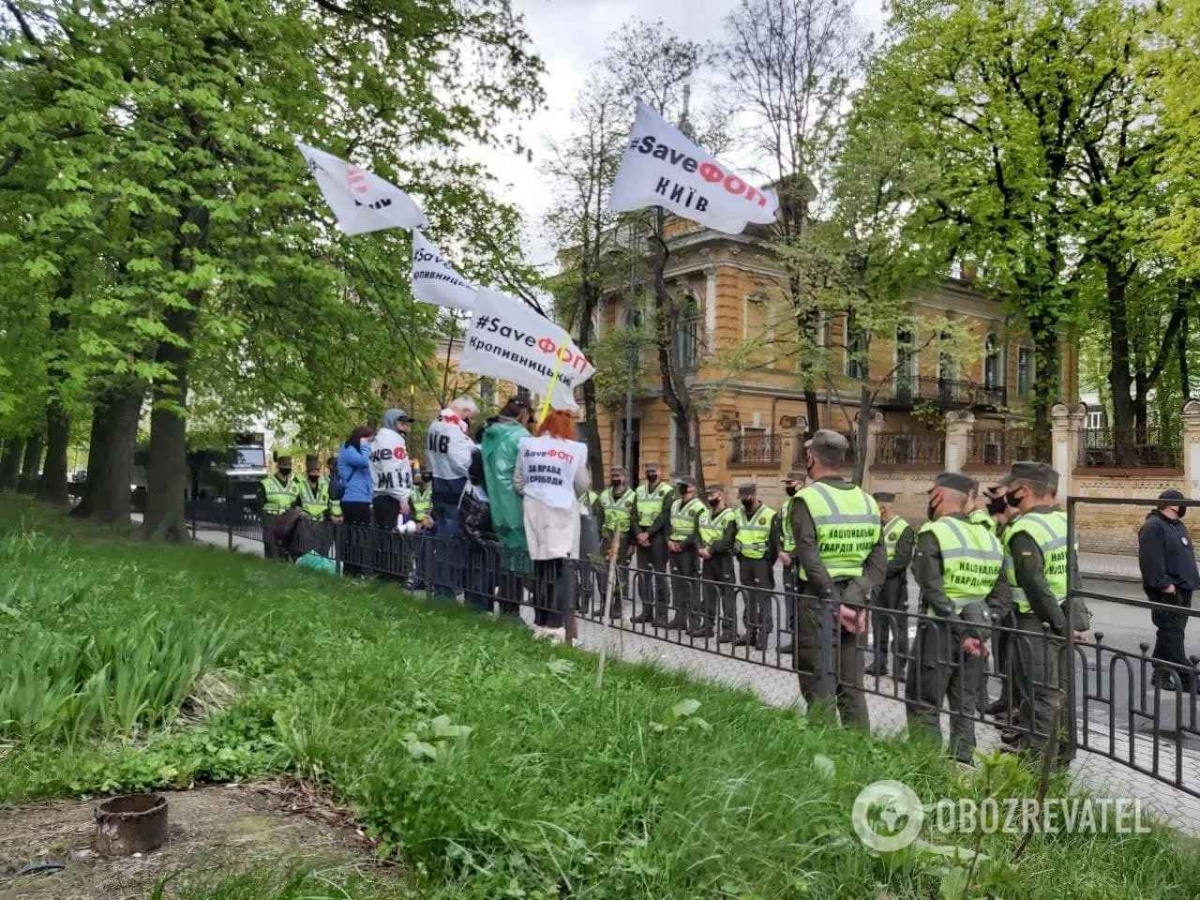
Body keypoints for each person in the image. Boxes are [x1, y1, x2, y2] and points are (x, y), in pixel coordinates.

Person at [905, 472, 1010, 765]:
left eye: (930, 496)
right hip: (975, 638)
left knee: (924, 702)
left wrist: (961, 628)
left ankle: (924, 765)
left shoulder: (934, 532)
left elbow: (932, 587)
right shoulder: (990, 538)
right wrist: (981, 631)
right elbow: (1002, 596)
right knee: (964, 705)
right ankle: (963, 762)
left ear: (938, 496)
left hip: (938, 631)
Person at [791, 429, 885, 728]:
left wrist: (834, 601)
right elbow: (878, 561)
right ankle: (859, 752)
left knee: (818, 683)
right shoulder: (867, 501)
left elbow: (809, 557)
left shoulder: (807, 499)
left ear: (810, 457)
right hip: (855, 603)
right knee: (852, 685)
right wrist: (853, 599)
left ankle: (822, 752)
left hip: (820, 601)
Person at [1000, 461, 1089, 761]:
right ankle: (1064, 754)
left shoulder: (1025, 528)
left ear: (1023, 491)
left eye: (1010, 489)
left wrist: (1061, 624)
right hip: (1060, 616)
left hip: (1035, 621)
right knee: (1060, 693)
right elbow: (1072, 575)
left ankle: (1036, 765)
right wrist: (1073, 620)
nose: (1005, 494)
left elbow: (1035, 585)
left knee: (1039, 695)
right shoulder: (1064, 521)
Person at [514, 409, 590, 640]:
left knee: (539, 568)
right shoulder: (575, 449)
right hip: (562, 515)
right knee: (560, 569)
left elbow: (518, 482)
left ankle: (540, 621)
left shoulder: (526, 445)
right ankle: (556, 626)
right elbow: (582, 484)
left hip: (533, 510)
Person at [1138, 489, 1199, 690]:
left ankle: (1160, 675)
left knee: (1170, 631)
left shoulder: (1176, 526)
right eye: (1183, 504)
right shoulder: (1153, 527)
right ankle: (1188, 678)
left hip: (1183, 588)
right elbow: (1151, 561)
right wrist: (1167, 586)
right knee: (1173, 634)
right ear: (1173, 505)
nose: (1185, 508)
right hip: (1168, 591)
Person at [481, 396, 533, 619]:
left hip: (497, 505)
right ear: (523, 414)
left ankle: (505, 609)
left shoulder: (490, 435)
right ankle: (511, 613)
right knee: (518, 562)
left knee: (505, 560)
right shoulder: (521, 438)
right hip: (517, 505)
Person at [425, 397, 478, 599]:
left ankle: (440, 585)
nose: (469, 420)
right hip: (454, 487)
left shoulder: (435, 425)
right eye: (468, 416)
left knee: (441, 537)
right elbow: (461, 461)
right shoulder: (454, 430)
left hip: (438, 484)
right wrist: (473, 471)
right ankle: (446, 588)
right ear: (462, 411)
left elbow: (430, 456)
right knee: (452, 540)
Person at [865, 492, 913, 677]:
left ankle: (899, 669)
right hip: (878, 584)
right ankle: (879, 663)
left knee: (898, 627)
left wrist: (879, 571)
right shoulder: (876, 527)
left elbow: (902, 559)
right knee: (878, 625)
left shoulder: (903, 528)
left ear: (883, 508)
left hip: (895, 585)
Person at [733, 483, 779, 651]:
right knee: (747, 598)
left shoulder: (769, 515)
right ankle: (750, 632)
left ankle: (763, 635)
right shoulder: (738, 513)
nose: (743, 501)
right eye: (741, 499)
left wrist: (768, 561)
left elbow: (775, 543)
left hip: (762, 563)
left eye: (746, 498)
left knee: (764, 599)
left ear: (753, 496)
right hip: (744, 561)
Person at [629, 461, 674, 626]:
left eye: (653, 470)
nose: (650, 473)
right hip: (642, 536)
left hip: (658, 537)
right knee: (643, 575)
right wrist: (639, 534)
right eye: (647, 470)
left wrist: (648, 533)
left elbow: (665, 515)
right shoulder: (639, 490)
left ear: (661, 472)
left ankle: (661, 614)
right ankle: (646, 611)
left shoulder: (667, 491)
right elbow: (633, 514)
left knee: (660, 576)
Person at [370, 408, 413, 578]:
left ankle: (384, 572)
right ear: (391, 422)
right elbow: (394, 472)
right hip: (392, 497)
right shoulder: (393, 442)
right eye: (401, 423)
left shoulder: (378, 441)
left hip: (380, 494)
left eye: (406, 423)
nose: (405, 427)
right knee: (393, 537)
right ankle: (394, 574)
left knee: (384, 535)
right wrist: (402, 497)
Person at [696, 483, 738, 639]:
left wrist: (710, 550)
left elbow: (728, 540)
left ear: (720, 495)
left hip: (723, 559)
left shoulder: (730, 515)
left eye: (712, 495)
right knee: (708, 594)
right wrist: (700, 548)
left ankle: (729, 630)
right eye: (708, 496)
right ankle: (707, 627)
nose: (709, 498)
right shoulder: (704, 515)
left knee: (727, 595)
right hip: (707, 559)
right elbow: (697, 534)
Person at [667, 475, 706, 631]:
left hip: (688, 551)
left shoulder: (699, 507)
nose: (680, 488)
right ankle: (679, 618)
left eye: (683, 485)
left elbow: (697, 531)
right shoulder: (675, 504)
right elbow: (669, 525)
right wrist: (669, 540)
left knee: (691, 585)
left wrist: (682, 545)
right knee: (677, 584)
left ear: (692, 487)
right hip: (673, 548)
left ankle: (694, 621)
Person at [596, 466, 635, 618]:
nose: (614, 478)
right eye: (612, 475)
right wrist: (600, 534)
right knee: (601, 571)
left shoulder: (632, 496)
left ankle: (618, 606)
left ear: (624, 478)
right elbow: (599, 517)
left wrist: (632, 543)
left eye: (617, 475)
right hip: (607, 537)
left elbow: (634, 520)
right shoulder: (604, 495)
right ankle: (606, 604)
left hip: (624, 538)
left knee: (620, 573)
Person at [336, 426, 374, 576]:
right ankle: (350, 570)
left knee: (361, 538)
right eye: (368, 439)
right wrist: (365, 446)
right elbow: (364, 462)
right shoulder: (348, 451)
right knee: (354, 537)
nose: (371, 444)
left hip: (363, 499)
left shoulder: (358, 451)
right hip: (353, 500)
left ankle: (358, 570)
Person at [778, 472, 804, 654]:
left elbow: (809, 536)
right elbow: (778, 529)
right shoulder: (786, 505)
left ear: (801, 484)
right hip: (787, 559)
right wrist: (780, 550)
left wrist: (792, 555)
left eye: (791, 483)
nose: (787, 486)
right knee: (790, 600)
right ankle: (794, 640)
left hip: (801, 560)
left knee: (802, 600)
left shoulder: (807, 504)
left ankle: (803, 642)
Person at [260, 456, 301, 559]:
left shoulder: (294, 486)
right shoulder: (266, 483)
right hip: (271, 518)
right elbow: (259, 503)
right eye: (284, 465)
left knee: (285, 550)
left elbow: (296, 503)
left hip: (287, 520)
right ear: (278, 466)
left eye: (289, 465)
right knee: (272, 549)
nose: (287, 467)